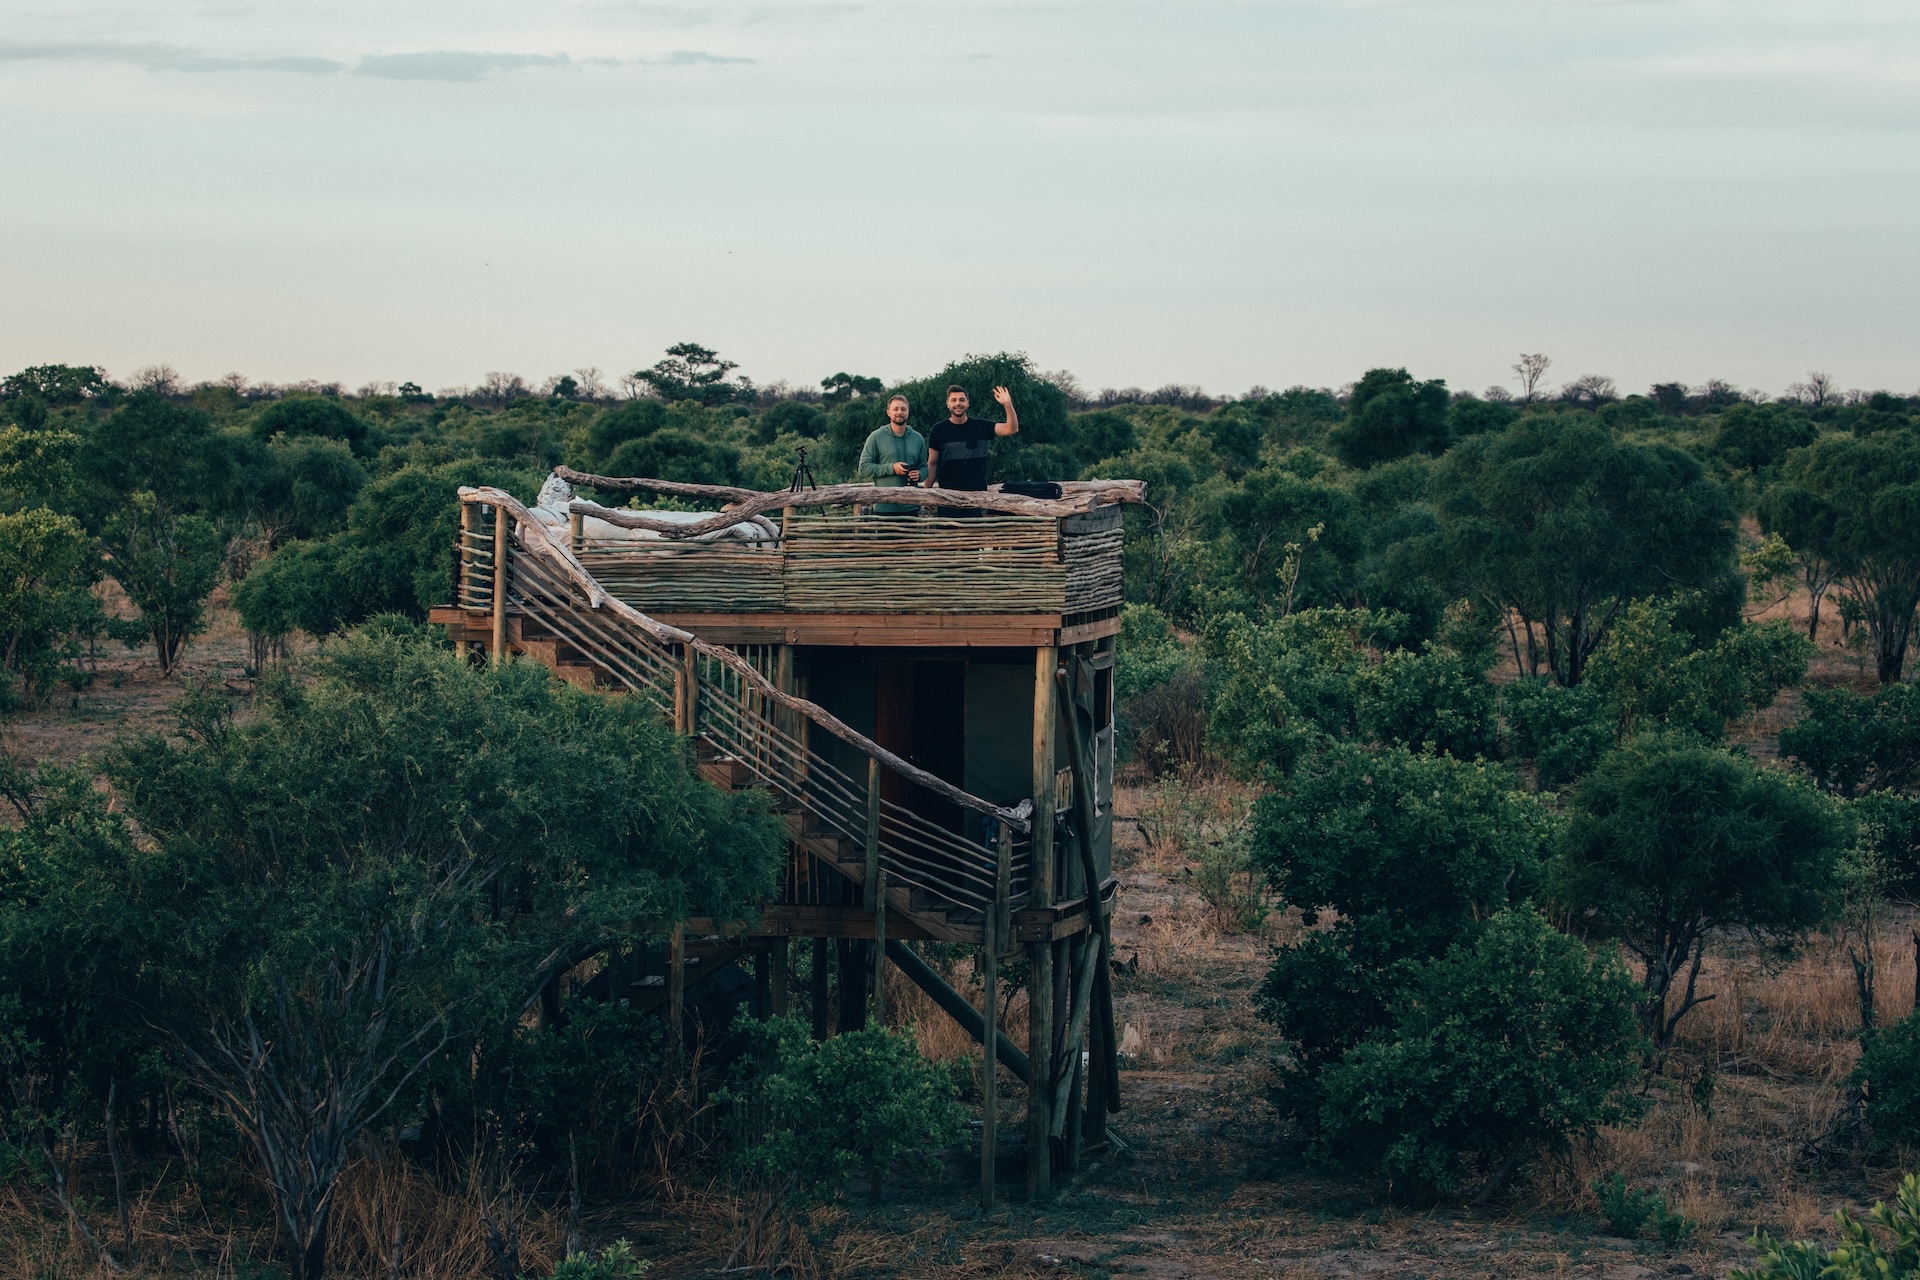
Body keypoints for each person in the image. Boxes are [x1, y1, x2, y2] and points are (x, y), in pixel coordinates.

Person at [927, 384, 1019, 517]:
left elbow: (1011, 429)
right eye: (954, 400)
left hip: (976, 498)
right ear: (947, 404)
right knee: (947, 537)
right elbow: (932, 463)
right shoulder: (938, 430)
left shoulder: (981, 427)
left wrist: (1007, 404)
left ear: (968, 403)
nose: (958, 403)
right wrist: (927, 492)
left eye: (962, 400)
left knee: (975, 537)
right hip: (947, 498)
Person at [856, 394, 929, 515]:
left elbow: (925, 467)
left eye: (903, 409)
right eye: (895, 409)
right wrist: (892, 468)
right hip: (884, 508)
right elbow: (863, 469)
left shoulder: (917, 438)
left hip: (911, 508)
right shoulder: (876, 437)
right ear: (888, 412)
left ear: (908, 412)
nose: (899, 412)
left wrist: (920, 474)